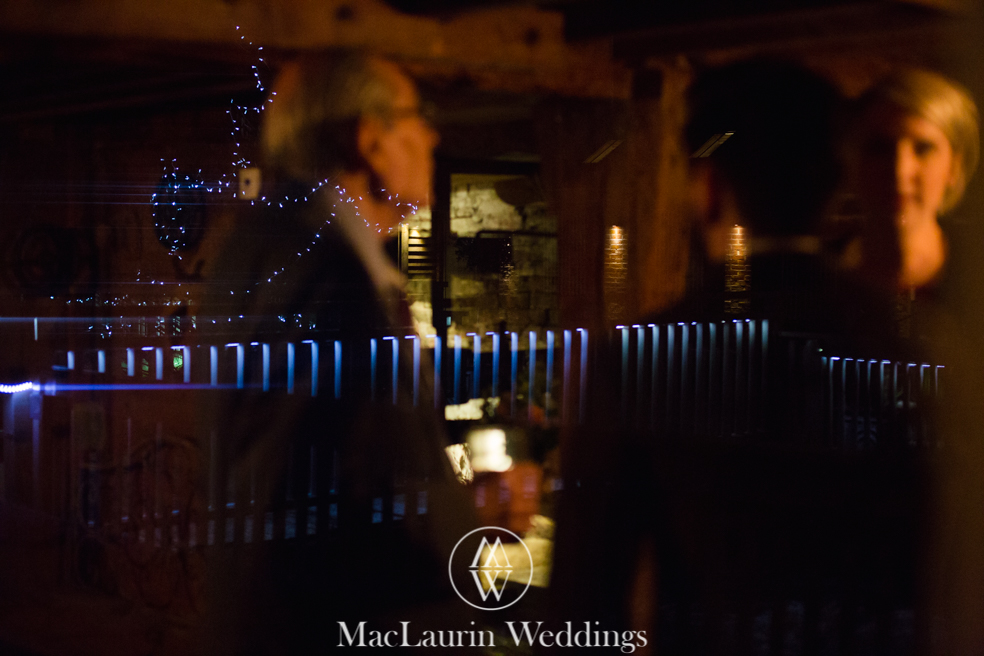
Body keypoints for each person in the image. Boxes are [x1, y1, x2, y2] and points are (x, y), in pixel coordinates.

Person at [203, 52, 476, 655]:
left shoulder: (252, 248)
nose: (432, 134)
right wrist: (472, 518)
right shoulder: (335, 278)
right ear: (370, 140)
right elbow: (358, 498)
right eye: (417, 116)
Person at [847, 68, 979, 295]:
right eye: (880, 148)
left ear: (954, 167)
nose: (900, 171)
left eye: (923, 148)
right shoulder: (811, 287)